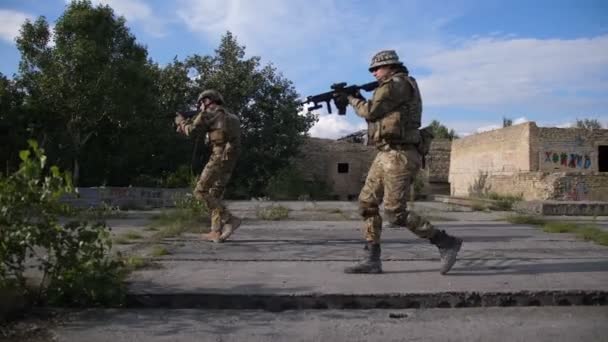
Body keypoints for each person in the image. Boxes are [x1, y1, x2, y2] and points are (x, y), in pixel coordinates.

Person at [335, 50, 463, 274]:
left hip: (401, 155)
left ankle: (446, 242)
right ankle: (372, 260)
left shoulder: (397, 84)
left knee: (394, 212)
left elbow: (371, 111)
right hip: (385, 153)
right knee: (367, 203)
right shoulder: (389, 86)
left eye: (377, 68)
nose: (374, 73)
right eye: (372, 70)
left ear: (391, 67)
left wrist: (352, 98)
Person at [175, 89, 241, 243]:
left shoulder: (209, 113)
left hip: (218, 157)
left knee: (200, 191)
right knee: (214, 195)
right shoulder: (232, 117)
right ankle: (215, 231)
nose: (200, 107)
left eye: (201, 103)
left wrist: (181, 122)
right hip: (230, 158)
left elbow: (191, 131)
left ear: (207, 100)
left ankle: (230, 219)